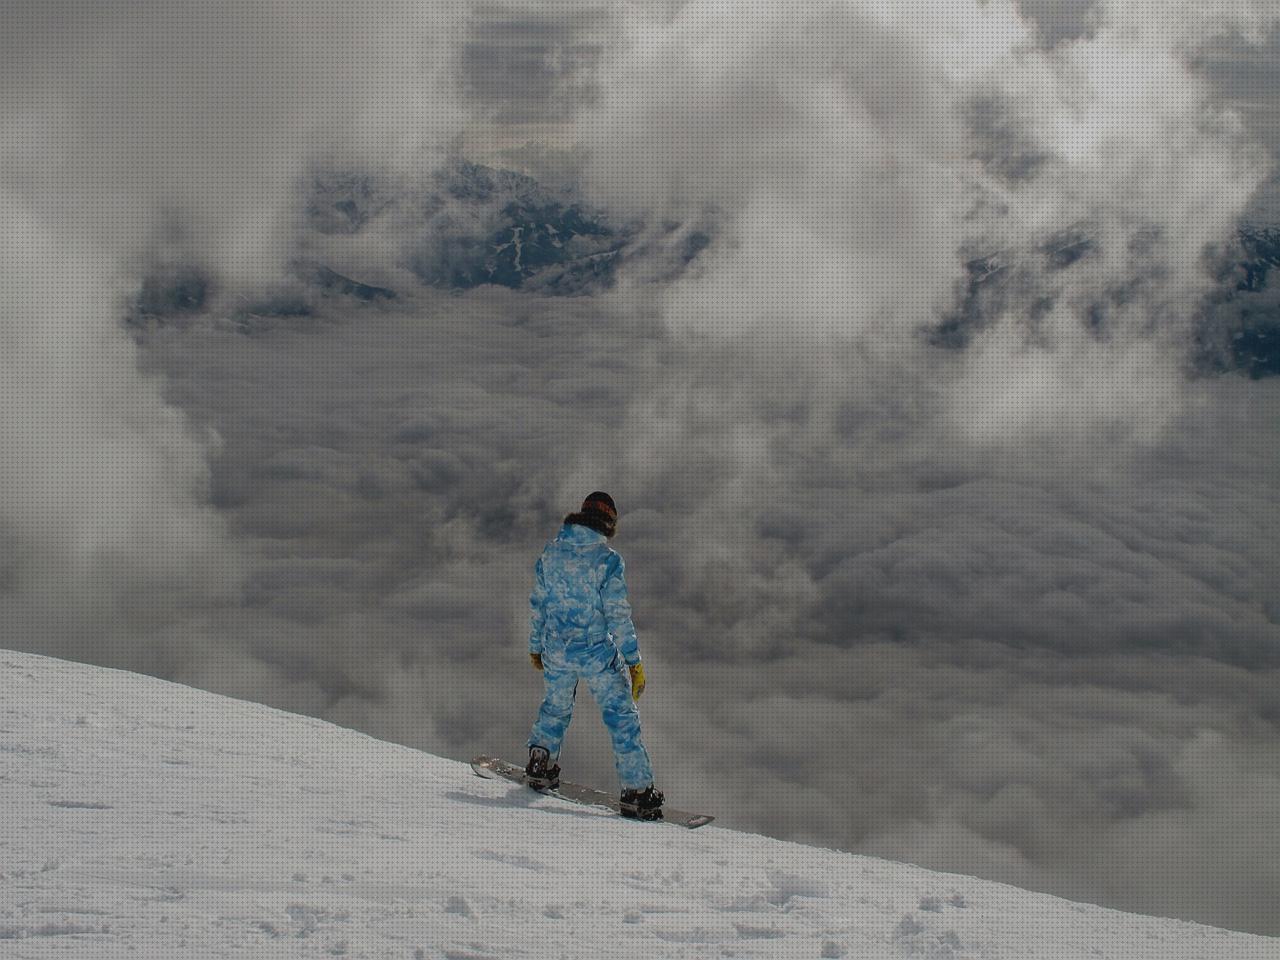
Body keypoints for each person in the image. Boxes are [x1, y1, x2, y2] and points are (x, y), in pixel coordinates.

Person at [524, 492, 664, 820]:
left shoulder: (551, 552)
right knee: (621, 718)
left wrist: (535, 646)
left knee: (555, 708)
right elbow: (617, 615)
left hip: (556, 649)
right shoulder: (607, 560)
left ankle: (539, 763)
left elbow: (538, 603)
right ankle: (638, 792)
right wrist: (634, 661)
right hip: (596, 652)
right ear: (608, 523)